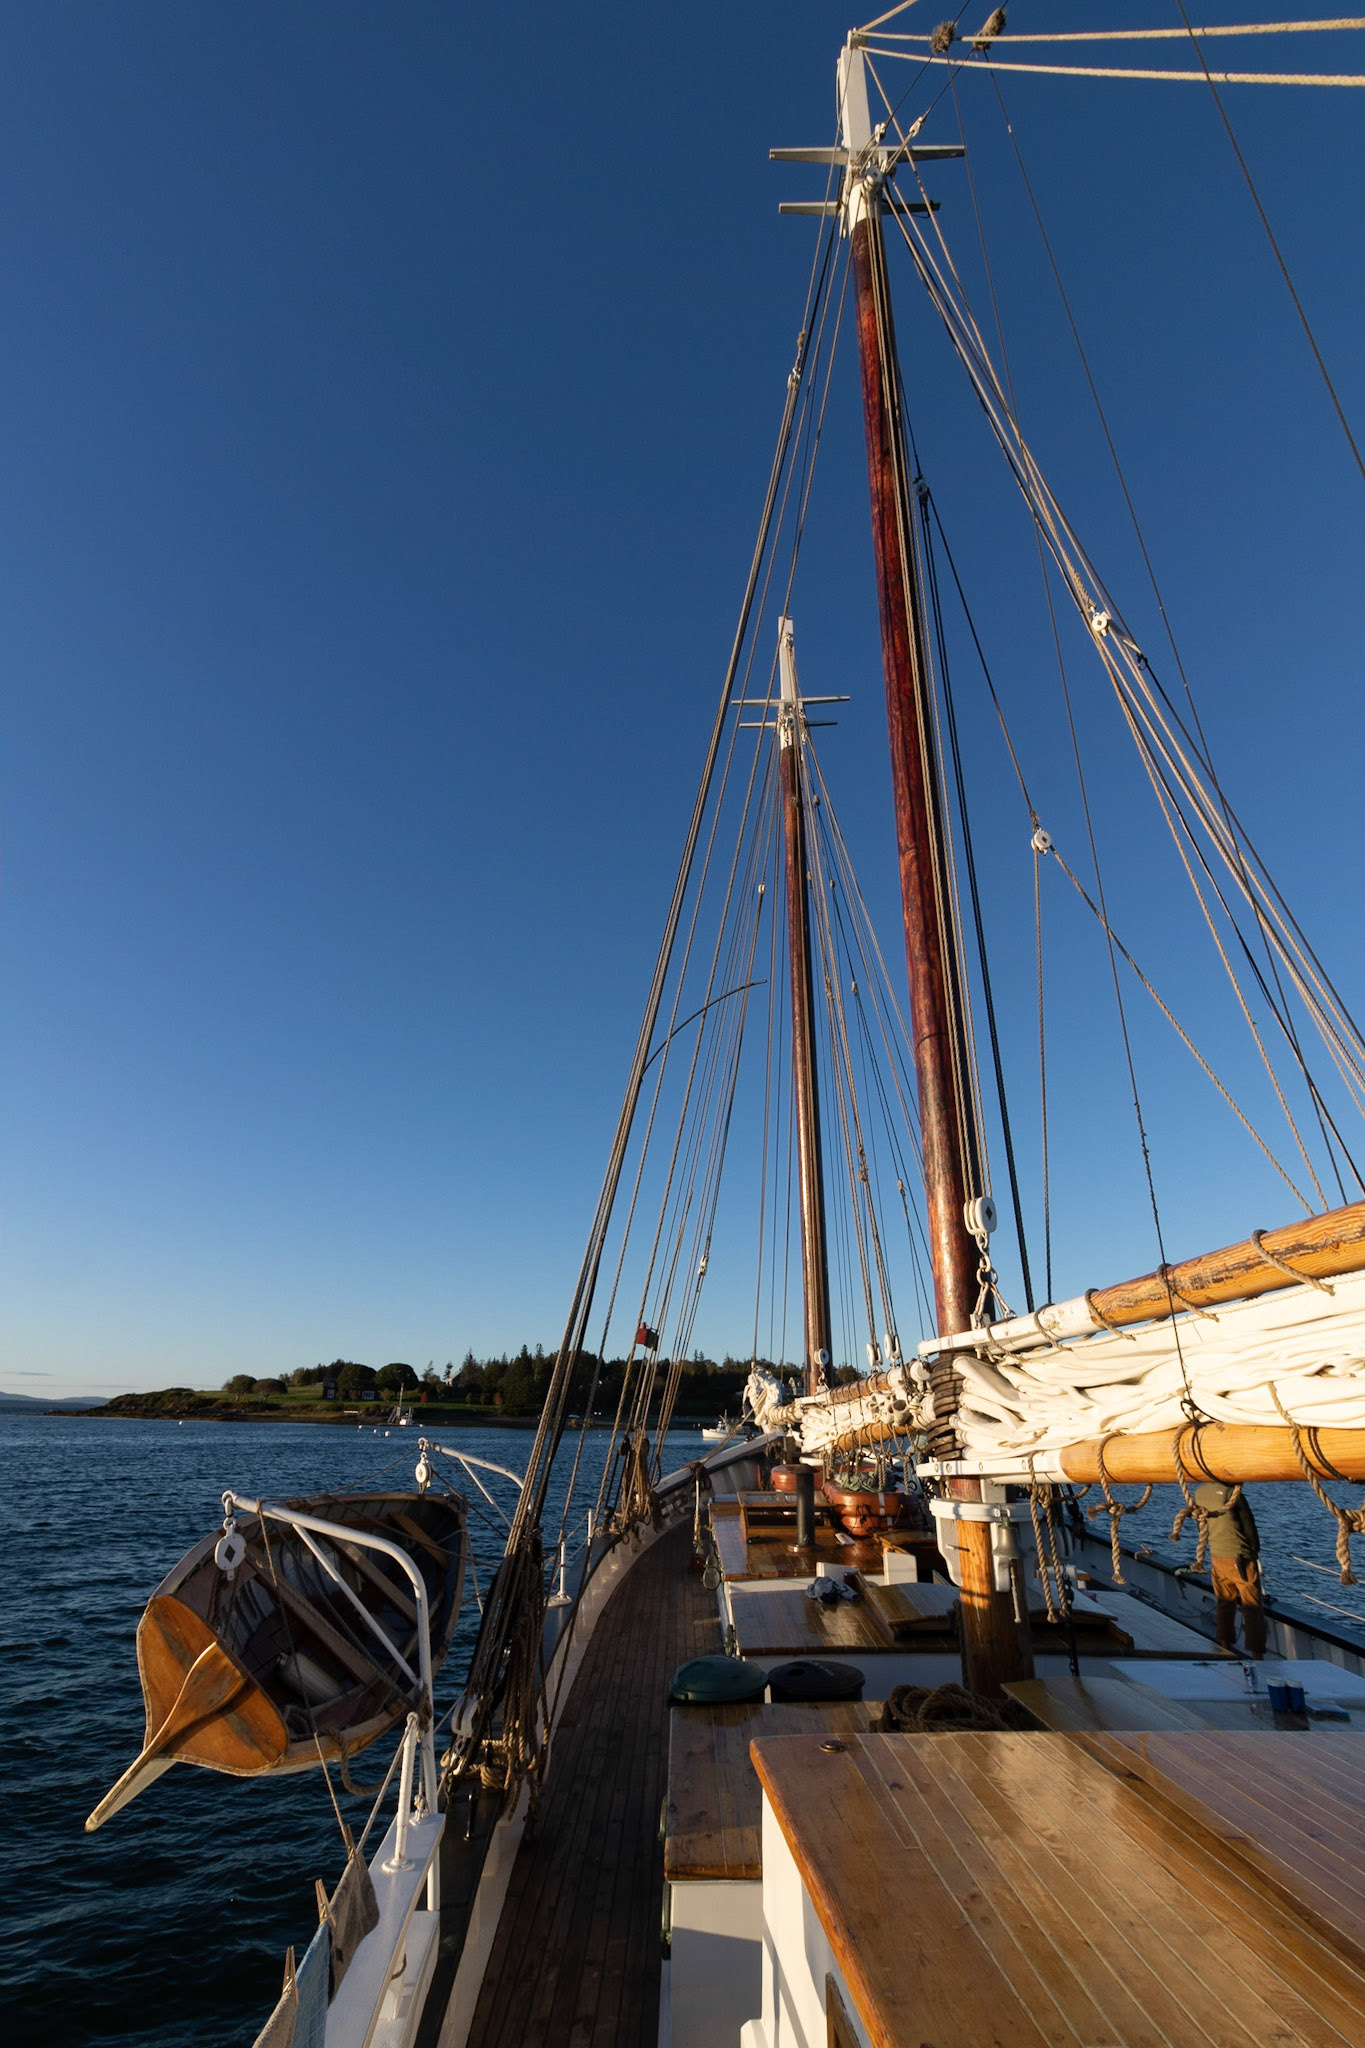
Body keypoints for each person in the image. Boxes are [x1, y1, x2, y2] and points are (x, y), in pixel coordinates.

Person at [1193, 1481, 1266, 1659]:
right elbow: (1248, 1525)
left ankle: (1225, 1646)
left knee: (1225, 1603)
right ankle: (1257, 1653)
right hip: (1240, 1558)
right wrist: (1254, 1550)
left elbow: (1201, 1525)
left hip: (1217, 1556)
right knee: (1252, 1607)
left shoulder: (1199, 1493)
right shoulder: (1233, 1493)